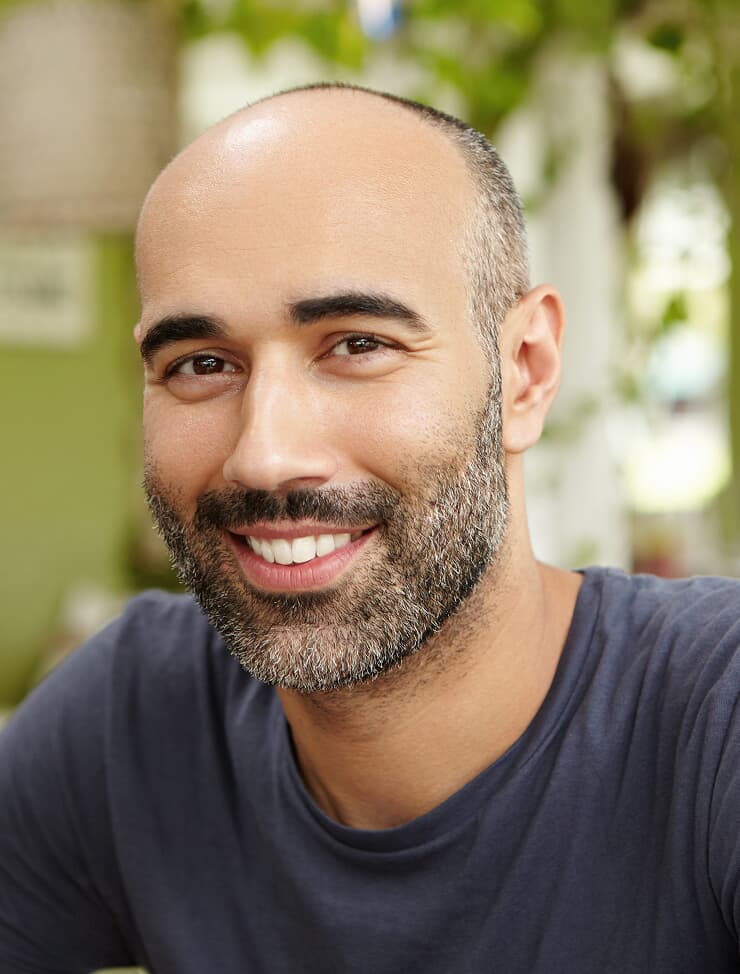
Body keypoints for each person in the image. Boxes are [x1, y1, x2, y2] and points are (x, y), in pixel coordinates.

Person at [1, 83, 738, 974]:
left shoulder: (715, 719)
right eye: (201, 363)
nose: (264, 457)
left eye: (357, 345)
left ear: (526, 370)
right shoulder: (134, 720)